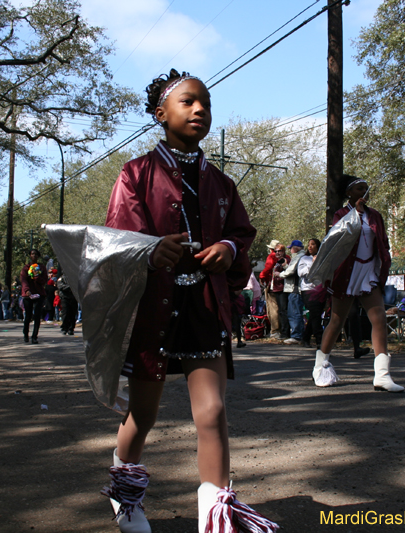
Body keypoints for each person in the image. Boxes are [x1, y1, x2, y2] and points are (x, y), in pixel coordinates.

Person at [101, 69, 275, 533]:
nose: (200, 109)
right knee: (143, 414)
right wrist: (149, 249)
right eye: (188, 101)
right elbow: (119, 239)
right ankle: (125, 495)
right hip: (153, 308)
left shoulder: (222, 183)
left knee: (213, 411)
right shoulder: (135, 173)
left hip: (204, 304)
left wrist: (230, 248)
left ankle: (216, 517)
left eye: (207, 103)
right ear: (161, 114)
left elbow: (240, 232)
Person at [313, 174, 403, 392]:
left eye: (365, 188)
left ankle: (382, 375)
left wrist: (383, 263)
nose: (364, 191)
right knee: (337, 321)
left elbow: (382, 242)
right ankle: (320, 366)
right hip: (347, 273)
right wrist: (357, 213)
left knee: (379, 318)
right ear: (349, 193)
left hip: (368, 271)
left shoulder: (376, 216)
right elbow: (338, 239)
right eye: (359, 188)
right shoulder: (341, 214)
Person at [298, 238, 326, 349]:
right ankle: (320, 340)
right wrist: (312, 264)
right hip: (308, 289)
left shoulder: (323, 258)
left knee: (316, 315)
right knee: (315, 313)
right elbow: (301, 273)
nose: (310, 247)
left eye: (313, 244)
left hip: (320, 289)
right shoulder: (304, 259)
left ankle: (306, 338)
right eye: (309, 245)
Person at [279, 240, 306, 344]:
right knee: (295, 312)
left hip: (294, 289)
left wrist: (280, 274)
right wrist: (286, 266)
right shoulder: (301, 257)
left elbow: (291, 271)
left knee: (294, 313)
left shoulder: (299, 257)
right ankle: (299, 335)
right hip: (295, 288)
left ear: (295, 248)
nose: (290, 250)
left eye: (290, 248)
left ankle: (296, 336)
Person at [20, 249, 47, 344]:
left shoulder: (42, 267)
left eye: (36, 254)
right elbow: (23, 280)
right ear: (30, 256)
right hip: (28, 295)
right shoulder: (26, 268)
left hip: (39, 294)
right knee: (28, 316)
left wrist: (37, 277)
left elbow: (44, 280)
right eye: (32, 254)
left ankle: (34, 336)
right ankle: (25, 334)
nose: (34, 255)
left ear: (38, 256)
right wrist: (27, 290)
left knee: (37, 316)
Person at [258, 240, 282, 338]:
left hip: (272, 285)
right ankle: (282, 330)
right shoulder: (286, 257)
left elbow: (267, 268)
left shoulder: (272, 256)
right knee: (281, 308)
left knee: (273, 308)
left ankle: (275, 330)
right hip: (282, 286)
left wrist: (261, 276)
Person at [269, 244, 291, 340]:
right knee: (280, 311)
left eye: (279, 251)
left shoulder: (286, 260)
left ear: (284, 251)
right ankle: (282, 331)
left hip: (283, 288)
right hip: (276, 288)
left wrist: (284, 267)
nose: (277, 253)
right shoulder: (278, 261)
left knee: (283, 310)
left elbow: (289, 272)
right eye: (276, 251)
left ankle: (285, 333)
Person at [56, 270, 78, 336]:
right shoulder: (61, 278)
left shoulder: (74, 278)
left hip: (73, 297)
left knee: (73, 314)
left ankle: (71, 328)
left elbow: (77, 286)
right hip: (65, 297)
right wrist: (70, 287)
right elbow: (61, 287)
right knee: (65, 313)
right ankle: (64, 328)